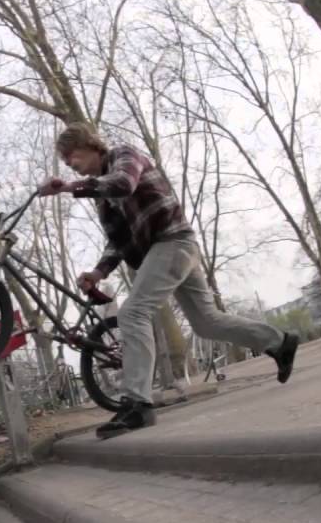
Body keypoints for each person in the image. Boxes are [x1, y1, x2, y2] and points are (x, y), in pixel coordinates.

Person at [38, 122, 298, 439]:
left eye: (72, 157)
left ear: (88, 145)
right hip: (169, 251)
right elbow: (118, 241)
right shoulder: (102, 197)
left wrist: (68, 186)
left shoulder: (124, 155)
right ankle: (280, 342)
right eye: (66, 163)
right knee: (207, 322)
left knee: (133, 312)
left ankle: (137, 404)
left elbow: (123, 183)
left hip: (173, 242)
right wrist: (97, 273)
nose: (71, 165)